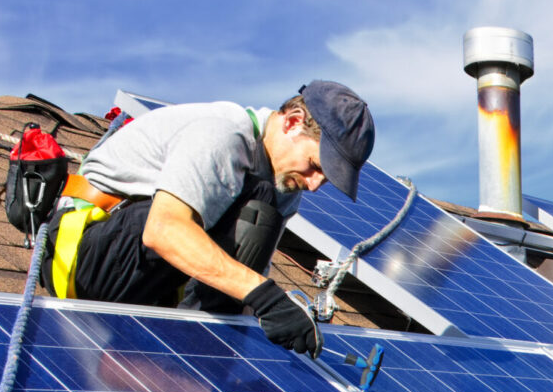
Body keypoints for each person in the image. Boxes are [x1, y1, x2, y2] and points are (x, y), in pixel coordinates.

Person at [40, 81, 375, 353]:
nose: (315, 185)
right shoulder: (224, 134)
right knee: (255, 206)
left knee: (264, 207)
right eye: (315, 166)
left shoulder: (282, 188)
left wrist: (268, 354)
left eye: (325, 179)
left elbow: (246, 282)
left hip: (146, 278)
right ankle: (191, 353)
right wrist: (265, 296)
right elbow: (164, 229)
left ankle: (199, 358)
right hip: (85, 258)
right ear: (291, 122)